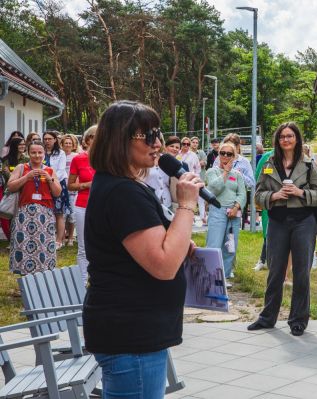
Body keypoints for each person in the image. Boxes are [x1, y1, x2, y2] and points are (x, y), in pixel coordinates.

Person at [83, 100, 202, 399]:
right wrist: (187, 203)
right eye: (147, 136)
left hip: (133, 330)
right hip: (131, 334)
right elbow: (162, 266)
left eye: (157, 134)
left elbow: (154, 246)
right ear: (120, 140)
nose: (158, 143)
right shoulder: (122, 192)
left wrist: (177, 238)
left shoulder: (121, 185)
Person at [248, 122, 317, 336]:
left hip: (303, 222)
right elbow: (257, 195)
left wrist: (300, 193)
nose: (286, 140)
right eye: (282, 136)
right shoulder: (268, 163)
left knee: (301, 272)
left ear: (297, 139)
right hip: (277, 222)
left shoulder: (309, 164)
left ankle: (298, 320)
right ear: (277, 140)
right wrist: (274, 196)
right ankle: (267, 318)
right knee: (275, 271)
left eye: (290, 136)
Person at [7, 140, 62, 275]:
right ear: (28, 153)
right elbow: (11, 186)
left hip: (45, 215)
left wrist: (49, 179)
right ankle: (25, 279)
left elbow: (57, 192)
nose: (37, 155)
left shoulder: (50, 170)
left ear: (44, 154)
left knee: (43, 247)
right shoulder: (22, 168)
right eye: (33, 152)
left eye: (40, 152)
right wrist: (27, 177)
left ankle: (43, 277)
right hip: (24, 214)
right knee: (24, 246)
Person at [205, 142, 247, 284]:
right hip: (217, 210)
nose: (225, 156)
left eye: (229, 154)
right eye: (223, 153)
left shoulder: (238, 175)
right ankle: (211, 275)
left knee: (230, 246)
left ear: (234, 157)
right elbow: (213, 189)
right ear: (218, 155)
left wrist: (236, 207)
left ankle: (225, 275)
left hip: (233, 213)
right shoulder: (212, 172)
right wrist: (225, 172)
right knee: (214, 244)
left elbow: (242, 194)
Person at [68, 126, 96, 283]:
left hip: (104, 205)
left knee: (103, 244)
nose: (97, 139)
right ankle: (83, 281)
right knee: (84, 246)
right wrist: (87, 185)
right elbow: (70, 185)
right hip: (82, 205)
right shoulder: (78, 159)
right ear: (87, 140)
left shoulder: (109, 158)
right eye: (93, 136)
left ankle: (100, 279)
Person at [43, 130, 69, 249]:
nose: (47, 141)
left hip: (58, 184)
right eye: (45, 139)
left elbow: (60, 170)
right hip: (43, 186)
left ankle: (59, 240)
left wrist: (51, 180)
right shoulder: (41, 152)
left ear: (55, 140)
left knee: (59, 213)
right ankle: (46, 238)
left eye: (49, 139)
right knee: (46, 211)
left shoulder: (60, 153)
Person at [0, 137, 29, 240]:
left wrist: (15, 175)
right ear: (14, 146)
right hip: (11, 192)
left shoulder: (27, 159)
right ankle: (12, 239)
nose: (22, 146)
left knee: (23, 216)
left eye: (24, 144)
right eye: (20, 144)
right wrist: (19, 177)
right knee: (11, 217)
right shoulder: (6, 160)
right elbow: (7, 175)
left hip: (24, 191)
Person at [254, 148, 274, 271]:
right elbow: (258, 177)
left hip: (289, 201)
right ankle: (263, 259)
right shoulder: (267, 156)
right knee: (268, 230)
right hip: (270, 199)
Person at [61, 134, 78, 247]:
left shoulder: (76, 156)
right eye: (66, 143)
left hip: (72, 189)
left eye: (69, 143)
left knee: (72, 214)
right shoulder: (59, 156)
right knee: (61, 215)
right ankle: (62, 238)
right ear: (62, 145)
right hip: (61, 189)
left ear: (73, 145)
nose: (67, 145)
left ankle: (71, 237)